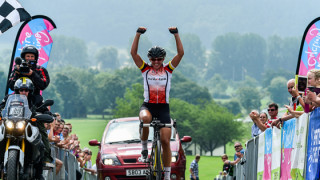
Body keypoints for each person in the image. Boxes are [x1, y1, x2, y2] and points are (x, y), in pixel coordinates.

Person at [131, 26, 184, 180]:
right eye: (153, 59)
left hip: (163, 108)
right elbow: (133, 53)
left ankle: (166, 175)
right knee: (145, 119)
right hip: (148, 105)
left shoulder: (168, 70)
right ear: (150, 60)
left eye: (159, 59)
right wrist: (138, 34)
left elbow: (180, 53)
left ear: (163, 59)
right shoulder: (145, 69)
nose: (155, 62)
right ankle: (144, 150)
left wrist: (176, 34)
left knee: (166, 141)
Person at [0, 77, 53, 180]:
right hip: (10, 123)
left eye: (26, 90)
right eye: (21, 90)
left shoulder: (36, 99)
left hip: (29, 124)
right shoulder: (8, 98)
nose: (24, 92)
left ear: (30, 91)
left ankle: (39, 172)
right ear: (17, 90)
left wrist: (46, 114)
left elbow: (44, 109)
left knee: (41, 143)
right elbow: (1, 106)